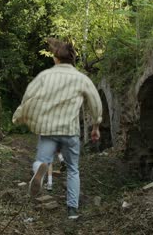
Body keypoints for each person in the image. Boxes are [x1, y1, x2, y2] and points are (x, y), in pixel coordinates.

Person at [12, 38, 102, 220]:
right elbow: (95, 102)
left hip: (48, 130)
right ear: (72, 60)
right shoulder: (81, 78)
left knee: (42, 159)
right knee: (73, 169)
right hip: (70, 131)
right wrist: (96, 125)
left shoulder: (45, 77)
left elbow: (28, 98)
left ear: (56, 59)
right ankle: (72, 210)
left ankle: (41, 169)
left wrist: (18, 116)